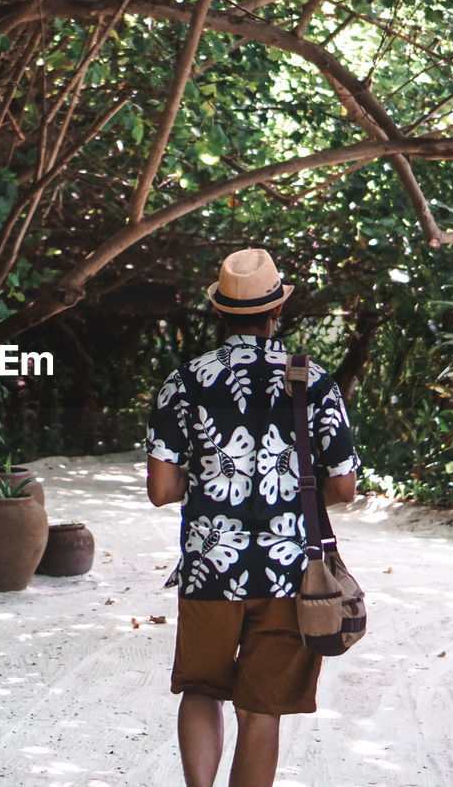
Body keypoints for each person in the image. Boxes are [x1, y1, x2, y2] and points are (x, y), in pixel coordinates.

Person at [145, 248, 360, 787]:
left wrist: (220, 489)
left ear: (219, 313)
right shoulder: (313, 382)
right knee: (260, 709)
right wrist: (287, 499)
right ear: (277, 312)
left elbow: (161, 489)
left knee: (202, 689)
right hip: (292, 572)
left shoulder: (185, 382)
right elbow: (344, 486)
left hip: (209, 566)